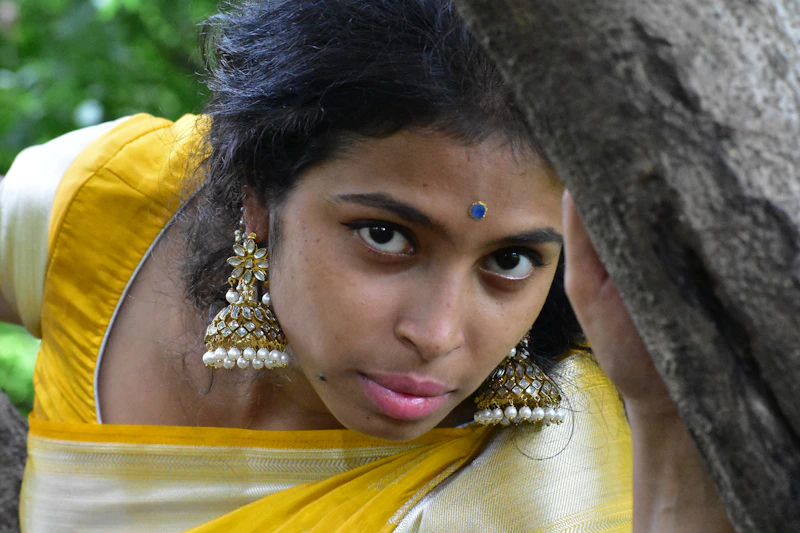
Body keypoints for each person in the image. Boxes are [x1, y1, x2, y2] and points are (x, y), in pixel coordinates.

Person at [0, 1, 733, 532]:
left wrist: (665, 419)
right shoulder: (107, 210)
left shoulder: (564, 472)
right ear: (257, 190)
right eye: (386, 236)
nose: (437, 332)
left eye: (510, 259)